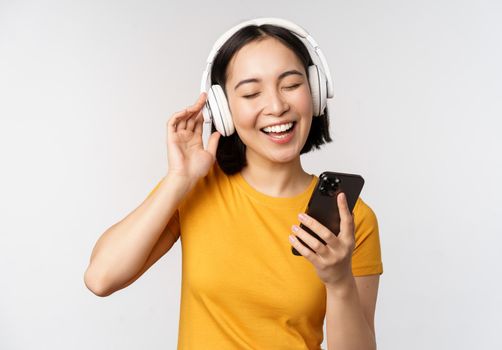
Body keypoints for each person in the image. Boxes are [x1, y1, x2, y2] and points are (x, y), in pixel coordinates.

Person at [84, 18, 383, 350]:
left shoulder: (352, 218)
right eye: (252, 92)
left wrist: (339, 281)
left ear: (314, 91)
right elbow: (101, 278)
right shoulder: (196, 188)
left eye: (291, 85)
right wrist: (179, 179)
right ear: (223, 109)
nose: (276, 106)